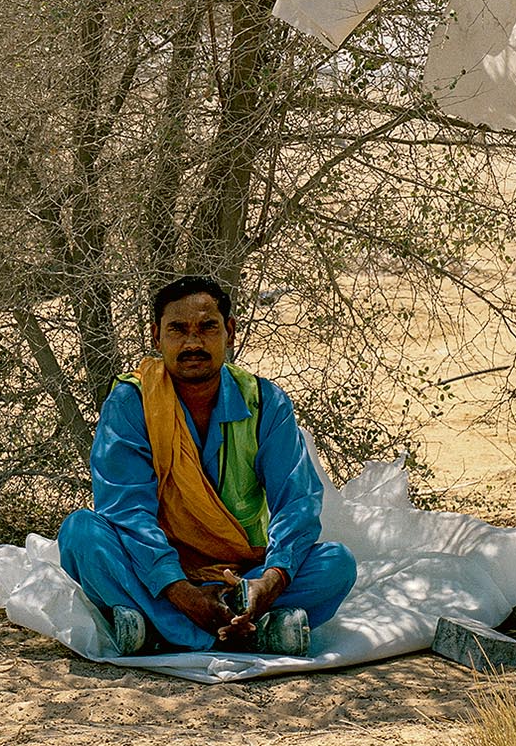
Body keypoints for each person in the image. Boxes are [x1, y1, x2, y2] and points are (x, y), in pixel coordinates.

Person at [55, 273, 358, 655]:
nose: (193, 342)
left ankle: (158, 628)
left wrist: (270, 582)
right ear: (156, 336)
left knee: (337, 564)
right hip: (155, 570)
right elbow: (126, 509)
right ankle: (244, 632)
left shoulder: (265, 402)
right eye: (178, 330)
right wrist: (180, 590)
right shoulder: (131, 402)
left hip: (240, 573)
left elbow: (297, 503)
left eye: (207, 327)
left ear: (229, 331)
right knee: (81, 533)